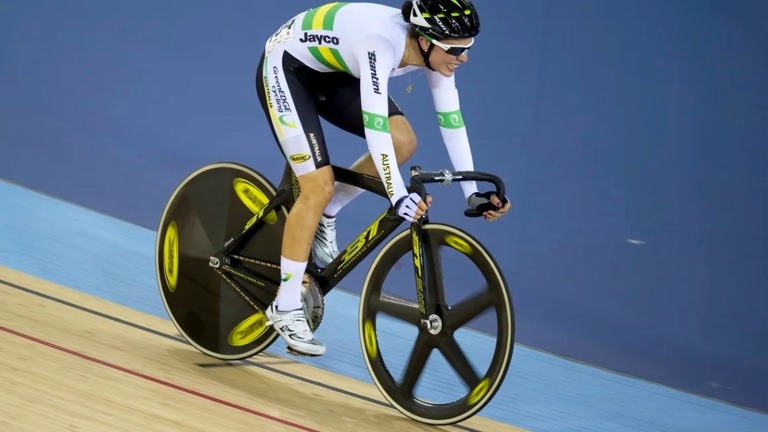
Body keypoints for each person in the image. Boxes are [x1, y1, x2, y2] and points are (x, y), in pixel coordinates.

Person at [256, 0, 510, 356]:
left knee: (404, 141)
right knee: (317, 185)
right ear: (425, 40)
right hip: (288, 70)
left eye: (468, 49)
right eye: (456, 50)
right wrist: (396, 194)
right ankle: (284, 307)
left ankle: (328, 214)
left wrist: (472, 193)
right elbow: (375, 127)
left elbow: (451, 120)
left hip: (335, 71)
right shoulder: (381, 42)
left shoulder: (435, 53)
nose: (463, 58)